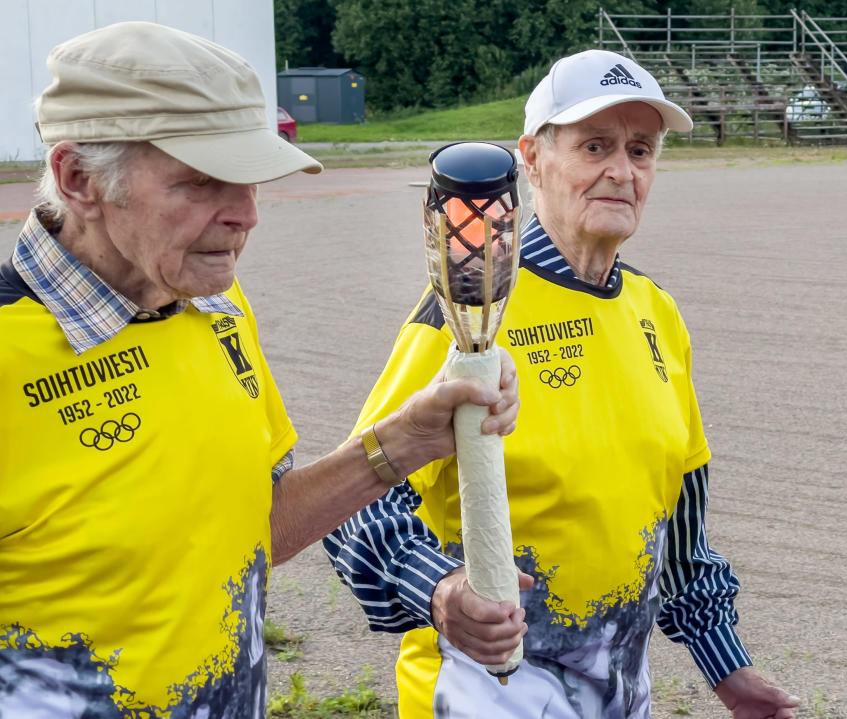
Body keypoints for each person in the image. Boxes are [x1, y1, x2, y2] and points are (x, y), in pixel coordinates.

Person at [0, 22, 519, 718]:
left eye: (250, 181)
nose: (245, 215)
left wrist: (408, 438)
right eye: (201, 183)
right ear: (79, 179)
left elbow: (258, 526)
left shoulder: (213, 304)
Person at [324, 49, 800, 719]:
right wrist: (440, 593)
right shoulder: (468, 317)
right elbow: (350, 506)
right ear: (531, 156)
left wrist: (727, 667)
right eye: (594, 146)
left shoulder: (656, 312)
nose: (621, 171)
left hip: (618, 695)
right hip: (481, 692)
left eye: (641, 150)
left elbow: (680, 530)